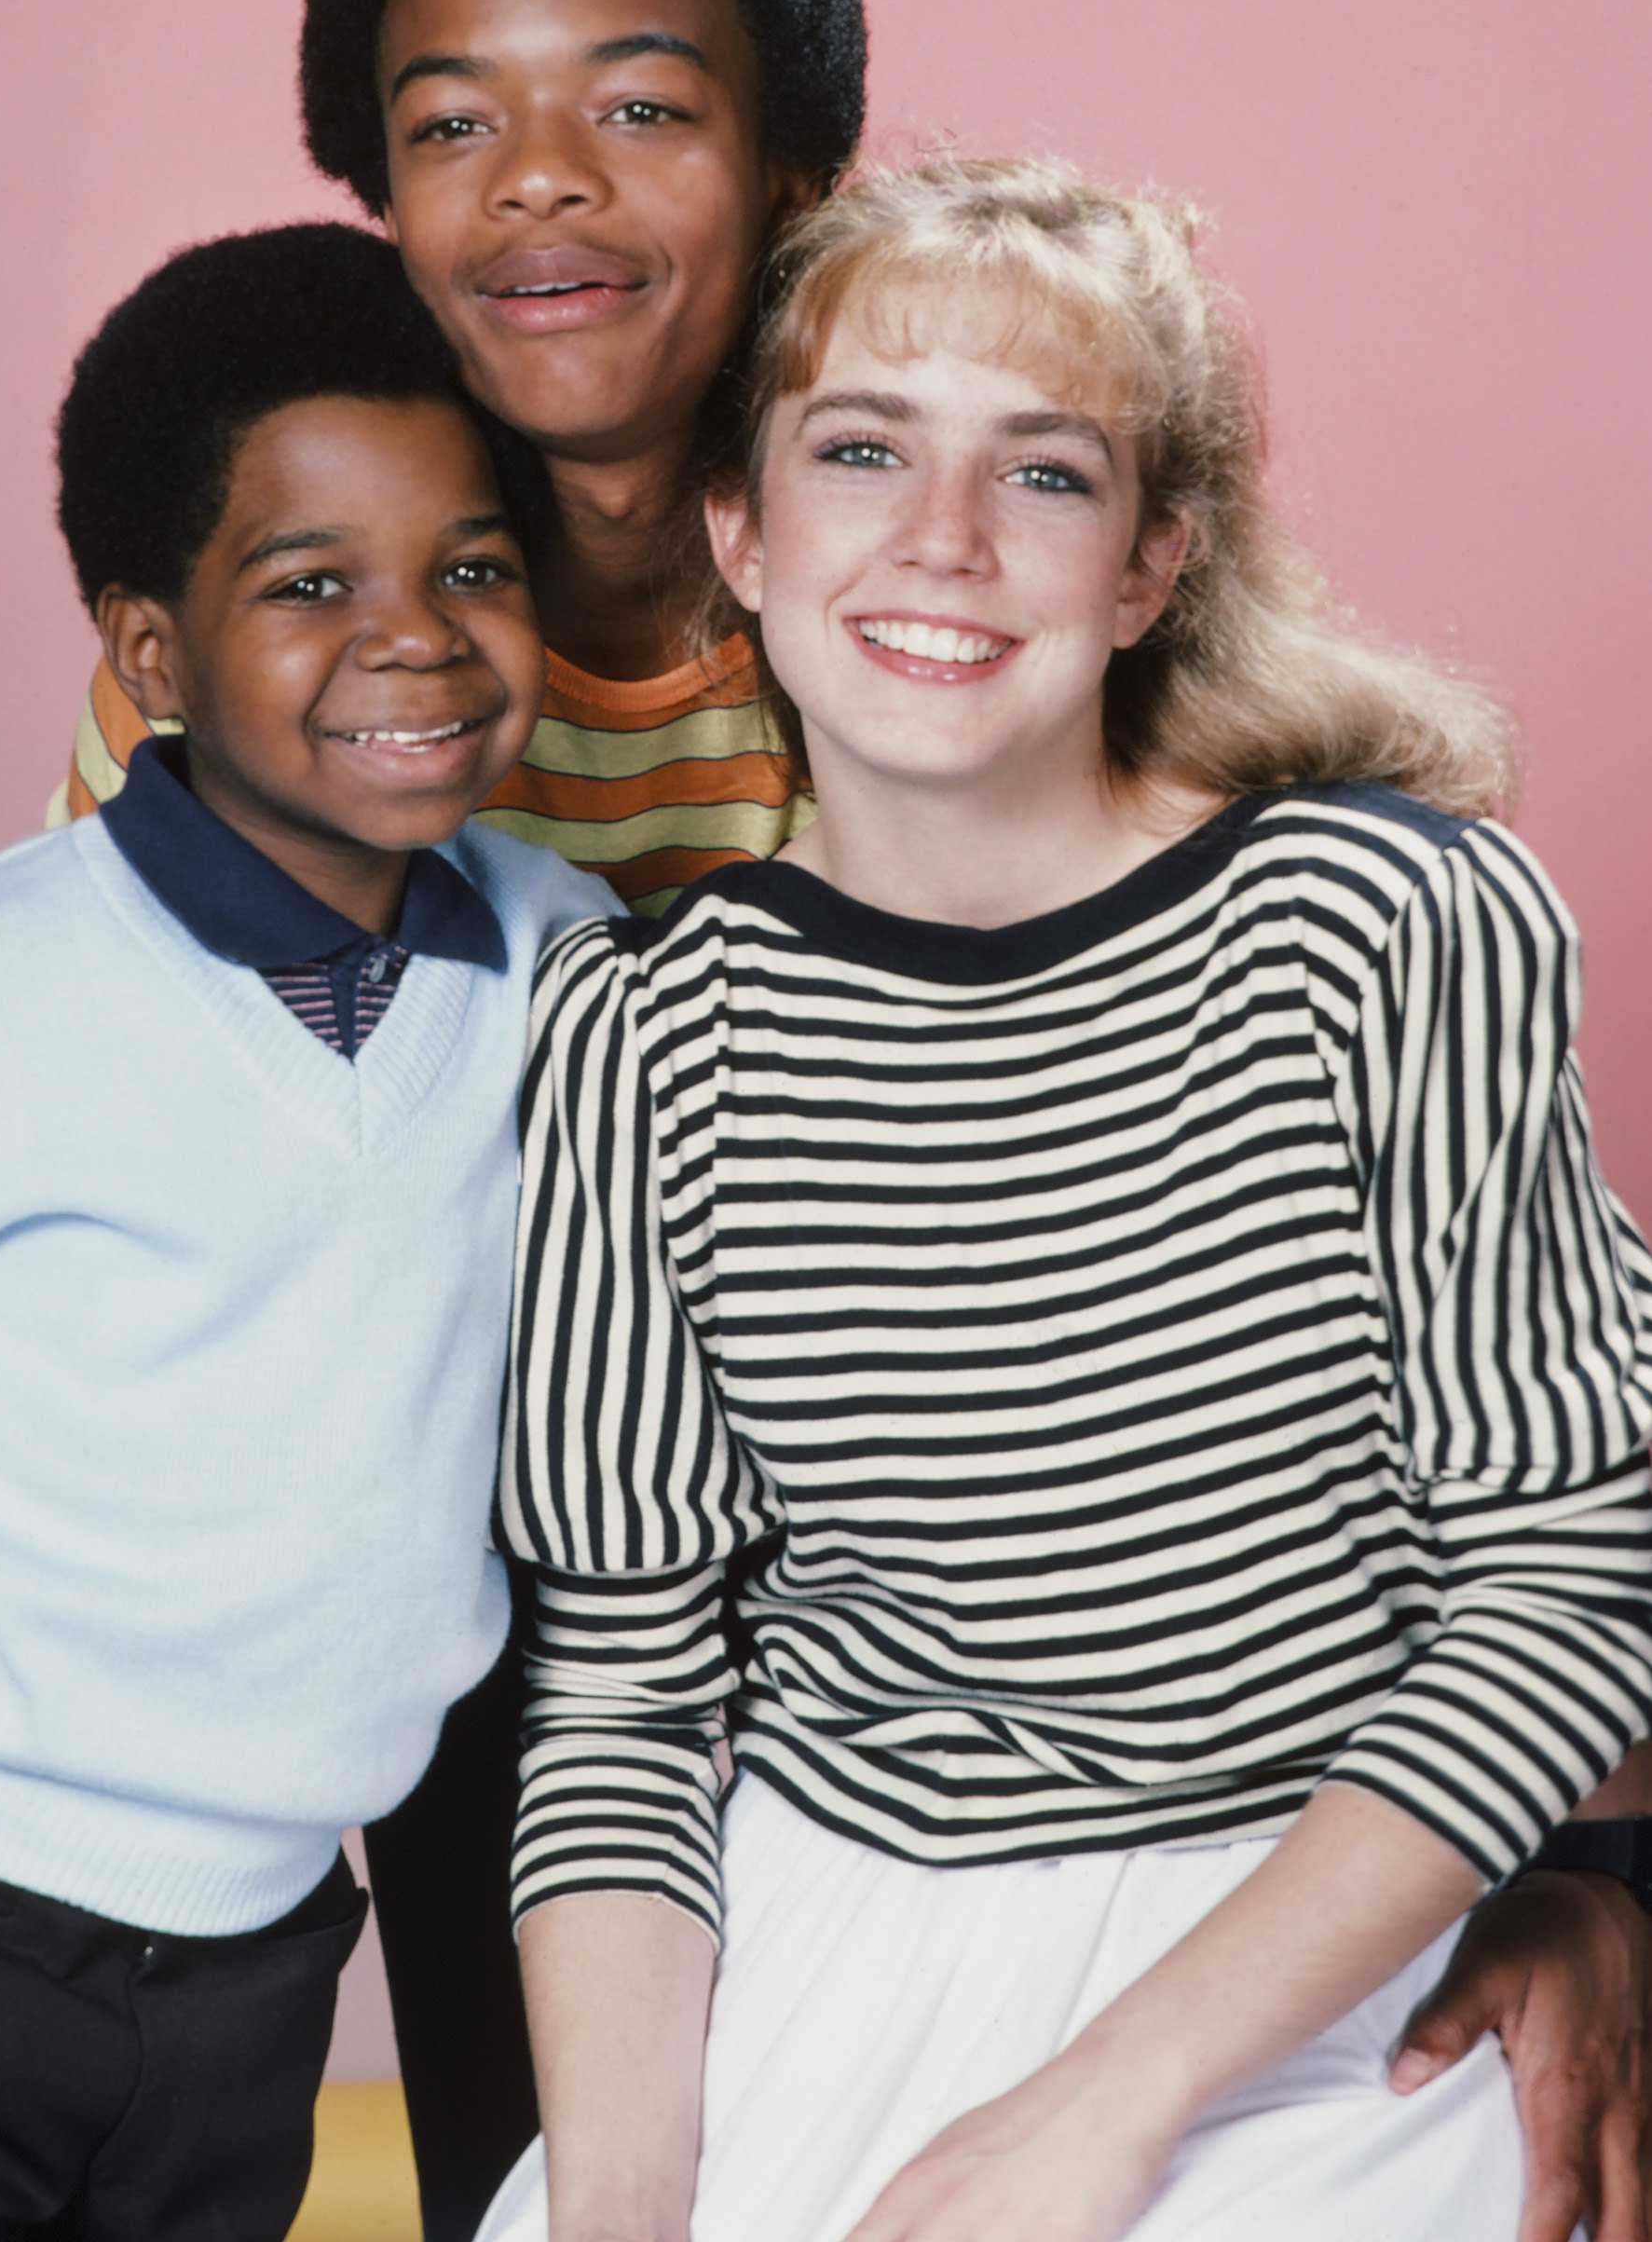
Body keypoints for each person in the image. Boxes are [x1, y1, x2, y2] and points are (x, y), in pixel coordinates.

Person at [0, 0, 1647, 2240]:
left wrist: (1574, 1872)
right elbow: (51, 1218)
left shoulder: (1143, 756)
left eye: (635, 106)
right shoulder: (279, 663)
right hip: (476, 1634)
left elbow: (1500, 1489)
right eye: (450, 123)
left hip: (1116, 1730)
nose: (538, 182)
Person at [481, 157, 1652, 2242]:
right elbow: (628, 1701)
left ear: (1148, 566)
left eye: (1044, 474)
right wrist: (614, 2211)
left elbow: (1572, 1579)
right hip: (827, 1922)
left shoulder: (1382, 928)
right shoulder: (641, 1038)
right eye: (862, 451)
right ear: (740, 534)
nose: (942, 540)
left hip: (1317, 1935)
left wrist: (1103, 2107)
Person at [0, 223, 611, 2241]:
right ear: (150, 654)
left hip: (269, 1949)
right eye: (311, 586)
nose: (420, 638)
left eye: (474, 567)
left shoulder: (572, 967)